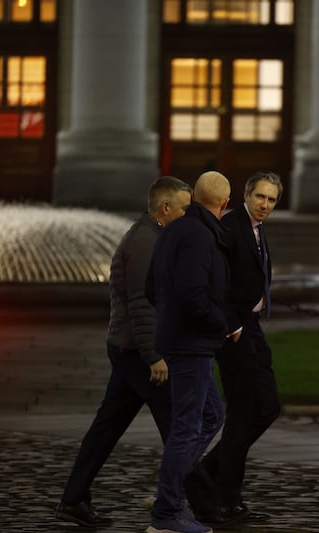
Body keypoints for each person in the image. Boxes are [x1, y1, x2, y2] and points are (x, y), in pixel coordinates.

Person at [55, 176, 193, 528]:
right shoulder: (145, 242)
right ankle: (185, 504)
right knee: (178, 425)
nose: (187, 215)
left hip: (130, 349)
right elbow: (141, 306)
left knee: (107, 427)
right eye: (184, 209)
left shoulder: (152, 237)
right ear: (165, 209)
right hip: (138, 353)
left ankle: (73, 499)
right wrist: (154, 356)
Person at [185, 171, 284, 527]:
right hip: (236, 331)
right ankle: (227, 499)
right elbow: (214, 282)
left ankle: (205, 476)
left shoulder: (255, 228)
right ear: (245, 194)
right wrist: (233, 326)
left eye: (271, 200)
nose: (265, 205)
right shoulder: (231, 227)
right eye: (260, 197)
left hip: (251, 327)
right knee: (244, 415)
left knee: (267, 407)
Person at [145, 171, 233, 533]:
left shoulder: (176, 230)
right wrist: (223, 322)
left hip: (183, 340)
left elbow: (153, 288)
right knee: (188, 427)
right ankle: (166, 513)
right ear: (225, 204)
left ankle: (170, 490)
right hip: (191, 343)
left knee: (212, 416)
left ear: (195, 197)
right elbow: (194, 296)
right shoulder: (199, 235)